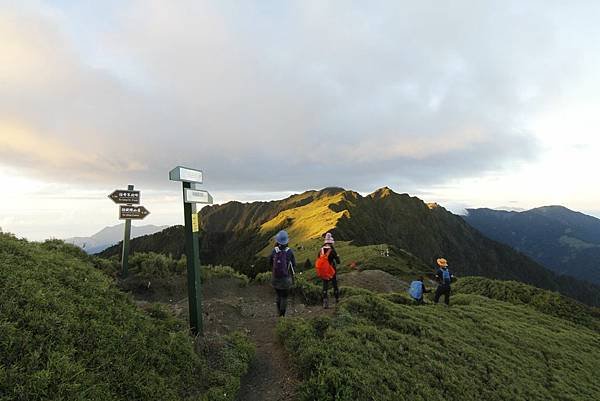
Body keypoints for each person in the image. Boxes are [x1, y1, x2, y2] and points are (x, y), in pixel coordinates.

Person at [269, 230, 296, 317]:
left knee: (278, 295)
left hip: (275, 279)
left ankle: (278, 312)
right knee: (284, 297)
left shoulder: (274, 251)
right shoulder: (289, 252)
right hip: (285, 280)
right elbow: (293, 265)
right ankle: (282, 316)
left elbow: (270, 262)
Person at [318, 232, 340, 308]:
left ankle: (325, 302)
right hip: (331, 270)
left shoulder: (321, 250)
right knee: (334, 285)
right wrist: (337, 257)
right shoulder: (332, 251)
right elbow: (338, 262)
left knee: (325, 285)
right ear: (331, 242)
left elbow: (318, 259)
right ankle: (337, 300)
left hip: (324, 270)